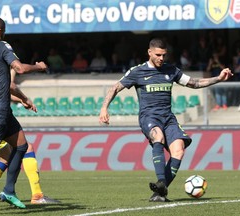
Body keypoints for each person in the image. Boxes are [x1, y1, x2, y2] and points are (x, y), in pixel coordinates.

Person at [99, 38, 232, 202]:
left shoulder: (171, 70)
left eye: (164, 55)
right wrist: (104, 108)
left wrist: (217, 79)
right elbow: (115, 88)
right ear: (149, 52)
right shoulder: (137, 71)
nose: (161, 58)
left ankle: (160, 191)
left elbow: (194, 83)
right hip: (149, 116)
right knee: (158, 137)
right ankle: (162, 181)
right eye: (158, 55)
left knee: (179, 149)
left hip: (168, 117)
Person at [0, 16, 46, 212]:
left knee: (21, 144)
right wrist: (39, 67)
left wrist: (22, 98)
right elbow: (20, 68)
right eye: (4, 31)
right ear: (0, 31)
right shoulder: (1, 46)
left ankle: (9, 190)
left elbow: (6, 84)